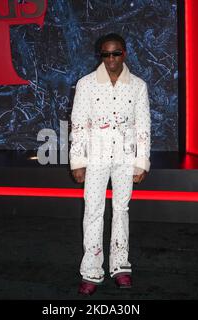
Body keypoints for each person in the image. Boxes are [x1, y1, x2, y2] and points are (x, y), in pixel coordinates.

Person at [69, 33, 151, 296]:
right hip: (95, 156)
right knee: (92, 210)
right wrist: (77, 161)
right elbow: (79, 125)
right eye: (106, 54)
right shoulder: (86, 84)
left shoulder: (138, 86)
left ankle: (120, 267)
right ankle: (91, 270)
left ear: (124, 54)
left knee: (121, 210)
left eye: (116, 53)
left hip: (126, 157)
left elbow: (143, 126)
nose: (111, 59)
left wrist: (142, 162)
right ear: (100, 56)